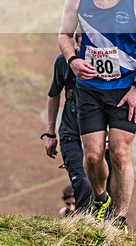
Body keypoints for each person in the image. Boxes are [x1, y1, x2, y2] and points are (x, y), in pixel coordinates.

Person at [58, 0, 136, 232]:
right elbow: (64, 35)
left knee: (120, 152)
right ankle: (101, 199)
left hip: (125, 88)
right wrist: (73, 60)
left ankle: (120, 217)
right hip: (90, 88)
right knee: (92, 155)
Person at [44, 33, 94, 213]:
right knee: (82, 181)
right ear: (76, 41)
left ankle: (108, 227)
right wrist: (51, 133)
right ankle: (82, 225)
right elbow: (53, 94)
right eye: (82, 40)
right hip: (70, 133)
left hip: (99, 134)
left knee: (104, 185)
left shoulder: (107, 62)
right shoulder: (63, 62)